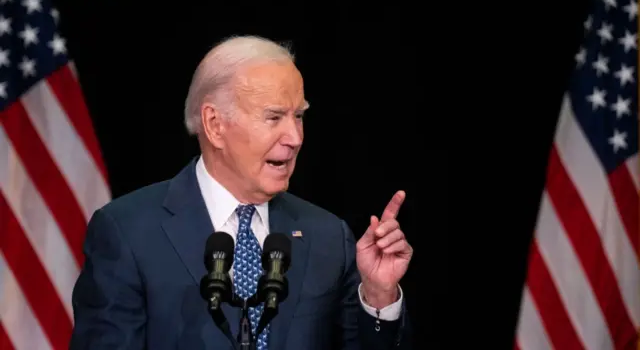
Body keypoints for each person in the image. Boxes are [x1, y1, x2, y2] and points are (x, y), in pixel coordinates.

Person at [69, 35, 413, 350]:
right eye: (274, 117)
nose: (294, 137)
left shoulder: (327, 237)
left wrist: (378, 295)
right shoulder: (129, 233)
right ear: (215, 125)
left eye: (298, 116)